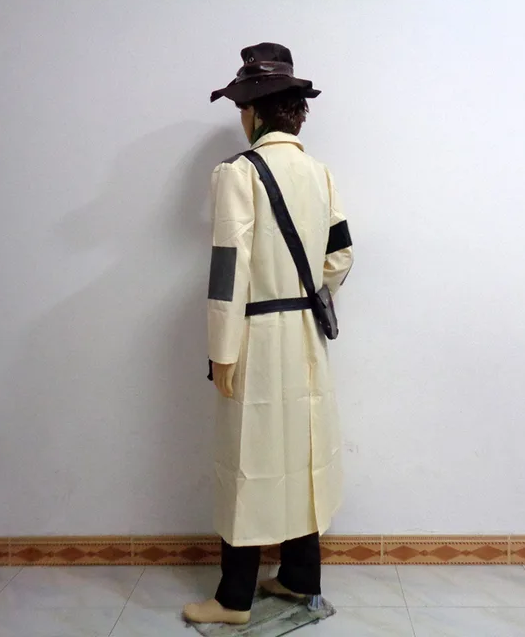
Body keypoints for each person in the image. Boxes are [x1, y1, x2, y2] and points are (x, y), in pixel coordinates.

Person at [184, 42, 353, 626]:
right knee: (303, 453)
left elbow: (227, 269)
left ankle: (234, 600)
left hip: (254, 334)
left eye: (241, 107)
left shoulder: (238, 173)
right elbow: (341, 255)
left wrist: (221, 351)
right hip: (305, 336)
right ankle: (301, 578)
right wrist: (308, 298)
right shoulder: (320, 173)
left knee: (247, 458)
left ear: (254, 111)